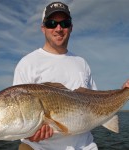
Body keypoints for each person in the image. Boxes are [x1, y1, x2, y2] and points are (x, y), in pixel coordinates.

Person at [13, 1, 129, 150]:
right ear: (43, 28)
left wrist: (124, 91)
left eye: (65, 23)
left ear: (71, 28)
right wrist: (29, 134)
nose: (58, 28)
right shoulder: (27, 63)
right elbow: (20, 118)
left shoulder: (82, 63)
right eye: (51, 23)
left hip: (85, 146)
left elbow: (96, 102)